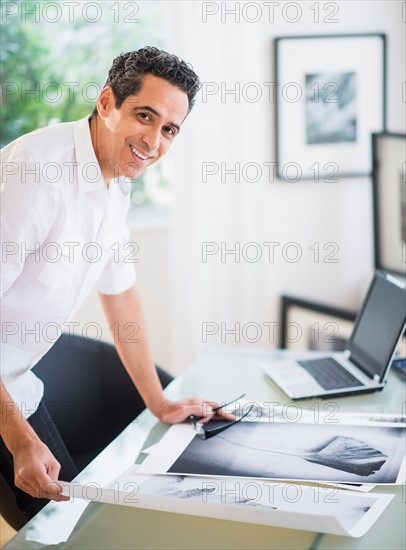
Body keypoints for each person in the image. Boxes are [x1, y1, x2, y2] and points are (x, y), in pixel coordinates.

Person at [0, 46, 232, 525]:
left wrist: (159, 400)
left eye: (169, 129)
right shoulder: (35, 174)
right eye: (144, 116)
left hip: (15, 381)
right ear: (107, 102)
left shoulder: (117, 182)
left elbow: (120, 293)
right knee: (57, 528)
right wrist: (20, 438)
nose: (154, 140)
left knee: (70, 522)